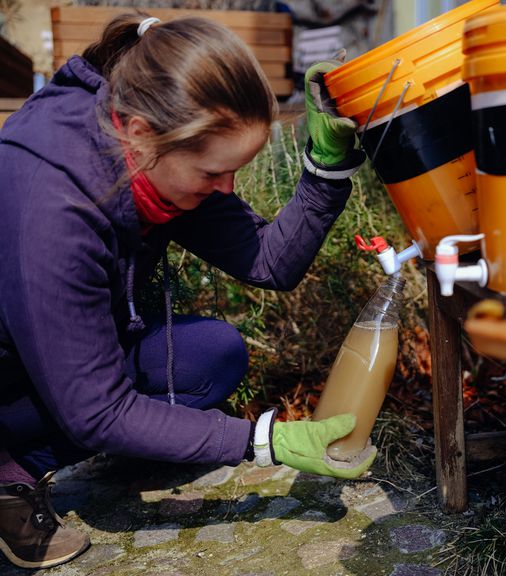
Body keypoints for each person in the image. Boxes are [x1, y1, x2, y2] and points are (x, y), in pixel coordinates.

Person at [0, 12, 371, 570]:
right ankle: (8, 476)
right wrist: (262, 441)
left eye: (234, 171)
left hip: (57, 359)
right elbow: (95, 411)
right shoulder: (53, 210)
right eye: (212, 174)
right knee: (110, 414)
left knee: (210, 359)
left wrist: (327, 167)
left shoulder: (153, 158)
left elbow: (269, 262)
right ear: (144, 134)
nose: (227, 189)